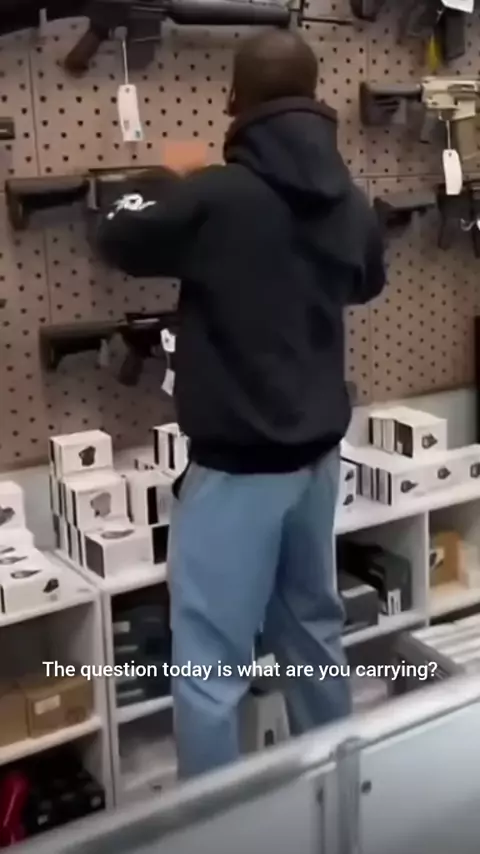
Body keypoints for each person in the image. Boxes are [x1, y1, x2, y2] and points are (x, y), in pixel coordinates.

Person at [96, 29, 386, 778]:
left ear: (235, 100)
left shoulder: (218, 196)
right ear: (315, 99)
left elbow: (117, 232)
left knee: (210, 664)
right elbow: (366, 280)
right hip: (316, 463)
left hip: (236, 470)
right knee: (313, 633)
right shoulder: (349, 200)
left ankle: (216, 827)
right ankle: (340, 796)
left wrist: (165, 174)